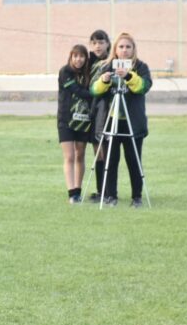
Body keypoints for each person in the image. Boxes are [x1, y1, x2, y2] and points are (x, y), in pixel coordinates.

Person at [90, 32, 152, 207]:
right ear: (115, 49)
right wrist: (104, 80)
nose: (124, 50)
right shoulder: (106, 66)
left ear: (133, 49)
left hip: (132, 122)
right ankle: (111, 196)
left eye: (128, 47)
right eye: (121, 47)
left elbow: (144, 87)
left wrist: (129, 76)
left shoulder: (141, 67)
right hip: (111, 119)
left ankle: (137, 197)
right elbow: (94, 90)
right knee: (110, 159)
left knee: (134, 159)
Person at [56, 44, 93, 204]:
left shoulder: (88, 74)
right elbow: (77, 91)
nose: (78, 59)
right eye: (75, 56)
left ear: (86, 58)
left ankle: (78, 190)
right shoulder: (65, 72)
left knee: (80, 155)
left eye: (82, 56)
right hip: (66, 120)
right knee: (69, 156)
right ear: (71, 57)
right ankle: (71, 193)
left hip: (83, 121)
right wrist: (96, 93)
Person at [87, 29, 111, 203]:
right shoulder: (90, 62)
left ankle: (108, 191)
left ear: (108, 44)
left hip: (106, 110)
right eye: (94, 43)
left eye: (101, 42)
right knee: (96, 150)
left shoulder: (111, 62)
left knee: (105, 150)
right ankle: (100, 190)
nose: (98, 46)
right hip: (93, 110)